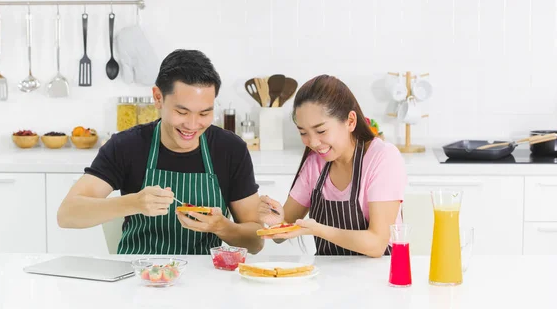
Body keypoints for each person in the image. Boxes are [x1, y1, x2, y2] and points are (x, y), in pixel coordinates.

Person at [58, 49, 263, 255]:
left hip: (205, 279)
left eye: (204, 113)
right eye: (181, 112)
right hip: (137, 276)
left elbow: (256, 242)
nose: (192, 125)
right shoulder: (127, 145)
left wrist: (222, 227)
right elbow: (67, 214)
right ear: (158, 98)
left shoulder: (230, 149)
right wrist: (133, 203)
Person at [258, 75, 407, 257]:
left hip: (377, 277)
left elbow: (376, 244)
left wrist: (318, 230)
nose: (312, 142)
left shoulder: (382, 158)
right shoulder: (314, 164)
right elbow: (282, 233)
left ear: (350, 121)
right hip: (328, 279)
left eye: (321, 131)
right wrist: (276, 222)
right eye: (303, 132)